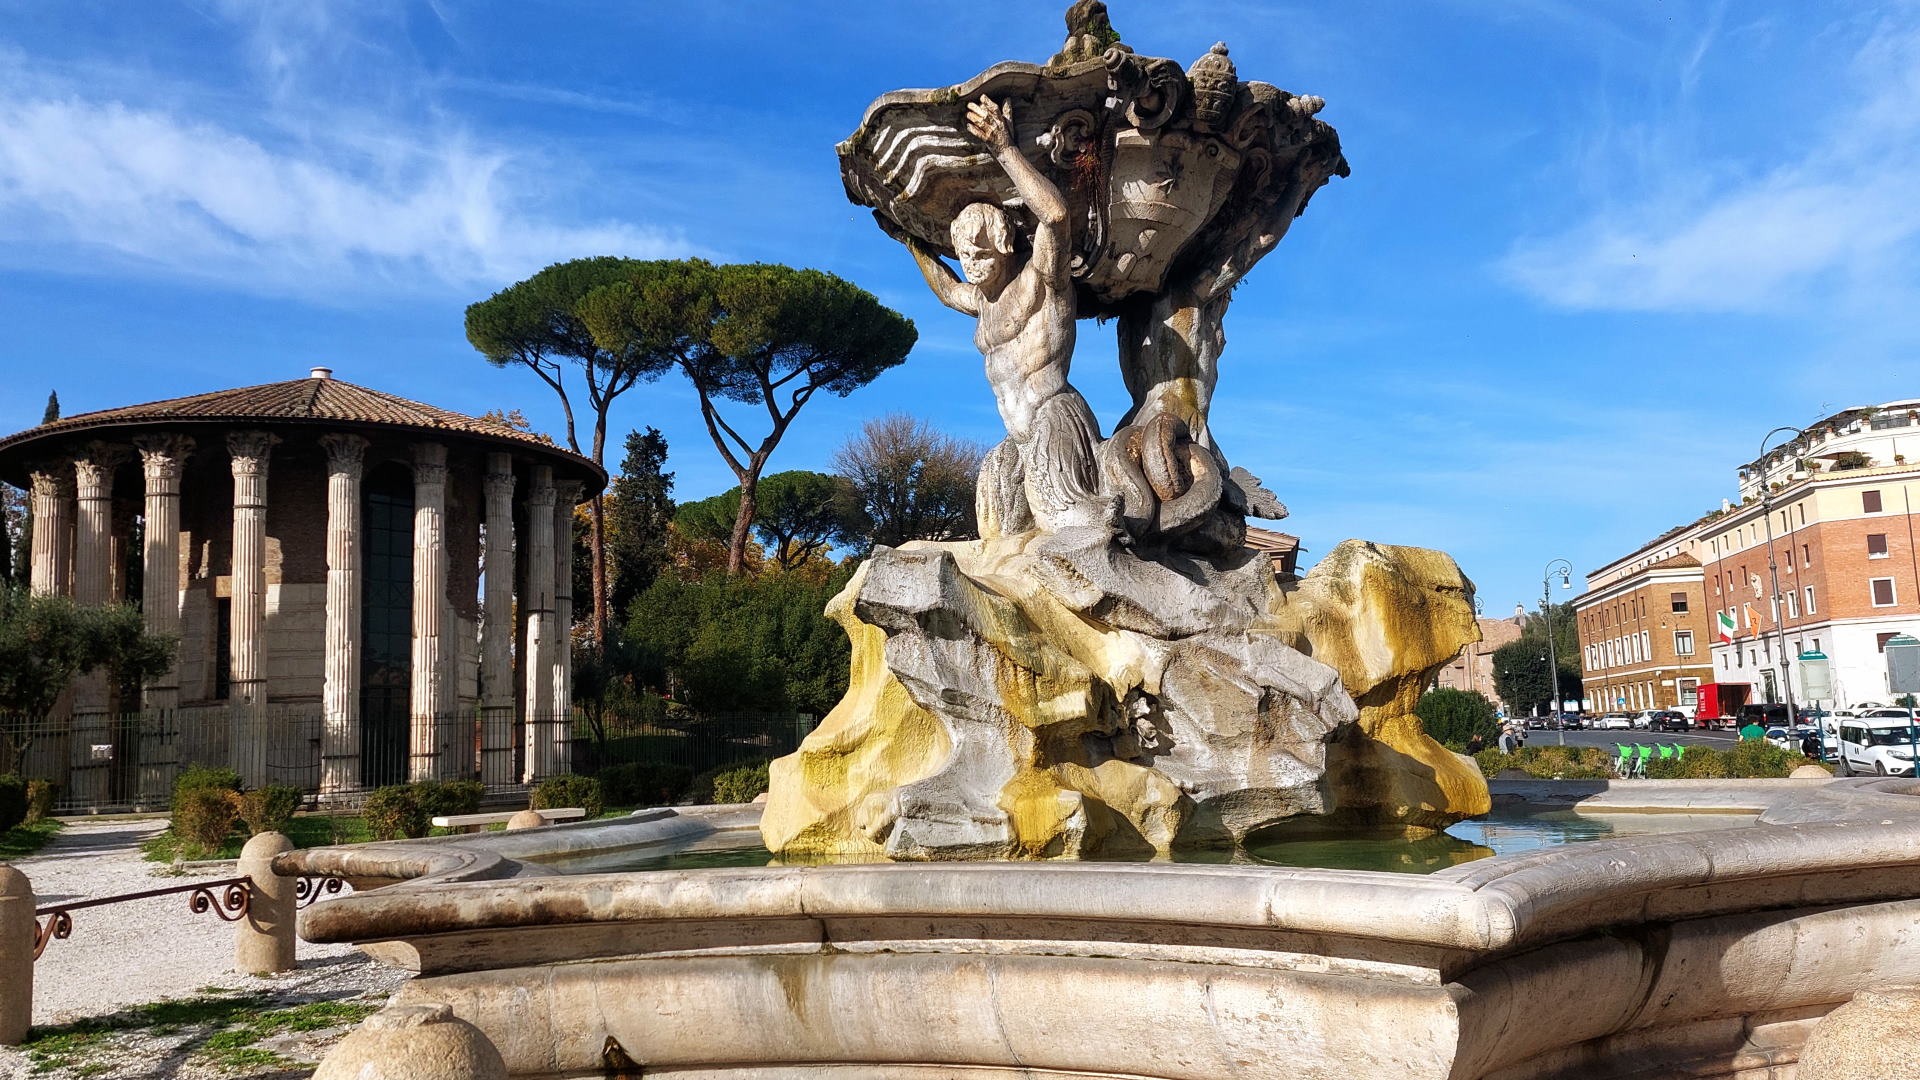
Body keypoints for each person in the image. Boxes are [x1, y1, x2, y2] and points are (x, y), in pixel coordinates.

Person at [903, 95, 1109, 538]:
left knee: (1072, 533)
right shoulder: (982, 301)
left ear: (1006, 246)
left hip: (1054, 421)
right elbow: (945, 289)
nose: (971, 264)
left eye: (981, 252)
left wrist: (1005, 149)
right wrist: (909, 240)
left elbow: (1054, 216)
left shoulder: (1042, 279)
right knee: (996, 535)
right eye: (963, 256)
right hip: (1015, 441)